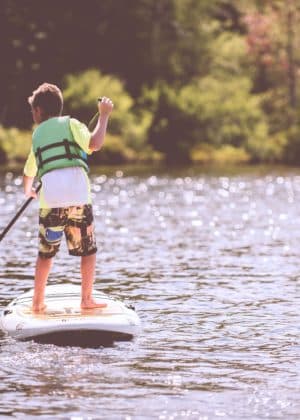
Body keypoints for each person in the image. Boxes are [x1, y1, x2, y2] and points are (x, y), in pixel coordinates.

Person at [23, 82, 113, 312]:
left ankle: (37, 302)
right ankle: (86, 300)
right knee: (88, 250)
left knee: (46, 253)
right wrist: (103, 116)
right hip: (78, 197)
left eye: (32, 110)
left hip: (51, 200)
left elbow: (29, 171)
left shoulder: (36, 135)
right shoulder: (72, 124)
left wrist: (28, 190)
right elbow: (95, 143)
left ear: (38, 111)